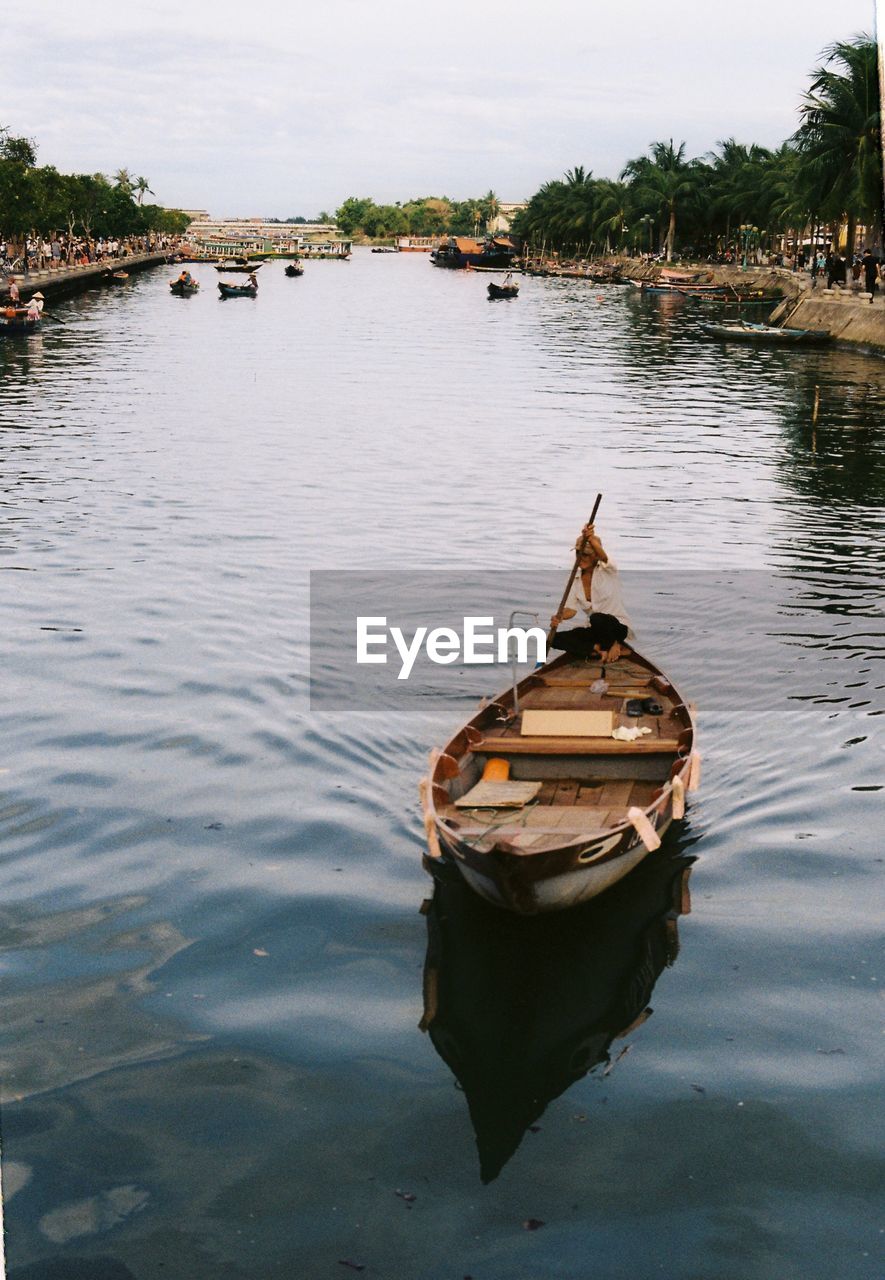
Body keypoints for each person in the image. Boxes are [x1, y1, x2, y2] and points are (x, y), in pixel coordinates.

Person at [549, 523, 633, 664]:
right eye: (578, 553)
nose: (580, 557)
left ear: (595, 556)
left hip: (616, 627)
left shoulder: (608, 570)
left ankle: (614, 643)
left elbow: (604, 557)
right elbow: (571, 610)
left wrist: (592, 539)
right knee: (552, 639)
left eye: (586, 554)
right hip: (595, 630)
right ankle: (598, 648)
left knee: (597, 618)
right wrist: (560, 616)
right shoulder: (573, 579)